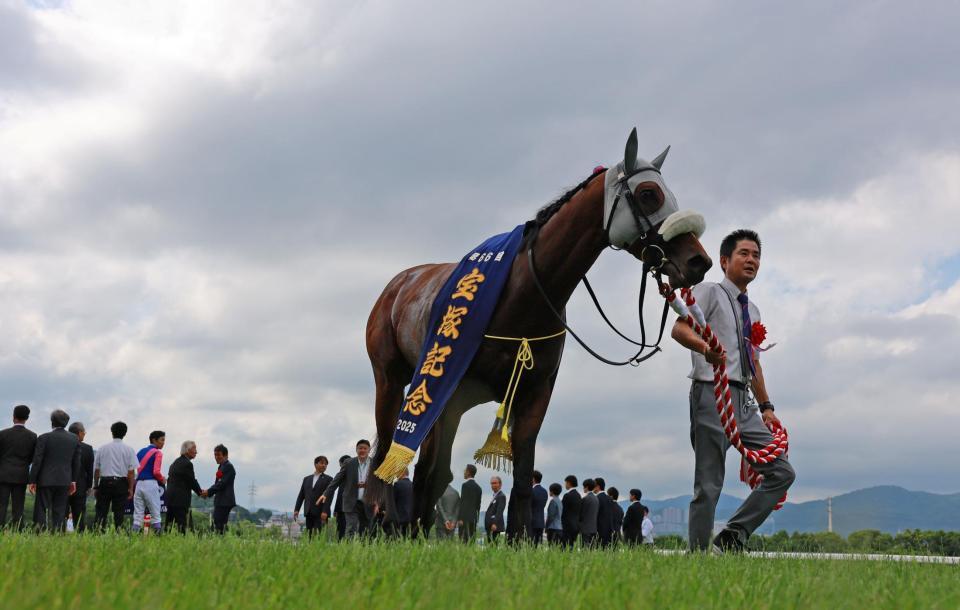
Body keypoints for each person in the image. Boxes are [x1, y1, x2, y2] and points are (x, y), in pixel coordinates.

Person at [671, 229, 796, 553]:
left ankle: (732, 537)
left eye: (756, 255)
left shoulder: (752, 310)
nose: (751, 260)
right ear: (725, 260)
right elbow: (680, 328)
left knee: (781, 472)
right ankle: (698, 555)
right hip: (712, 392)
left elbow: (753, 361)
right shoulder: (709, 292)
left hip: (744, 401)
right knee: (709, 483)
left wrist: (767, 406)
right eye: (744, 253)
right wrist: (705, 348)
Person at [29, 409, 81, 532]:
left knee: (41, 508)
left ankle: (39, 533)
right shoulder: (74, 439)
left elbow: (37, 461)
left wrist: (32, 480)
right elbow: (76, 462)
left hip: (45, 479)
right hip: (64, 479)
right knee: (59, 509)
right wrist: (73, 481)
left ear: (52, 422)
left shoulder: (44, 438)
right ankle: (57, 533)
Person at [318, 439, 375, 538]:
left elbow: (379, 483)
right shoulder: (349, 463)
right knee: (351, 528)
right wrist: (325, 494)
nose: (362, 450)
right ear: (356, 450)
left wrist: (378, 501)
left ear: (369, 450)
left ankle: (363, 551)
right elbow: (337, 480)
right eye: (360, 448)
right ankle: (349, 551)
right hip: (351, 501)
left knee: (365, 531)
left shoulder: (374, 463)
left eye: (365, 448)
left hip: (368, 502)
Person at [92, 421, 138, 531]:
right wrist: (131, 488)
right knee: (119, 512)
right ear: (125, 433)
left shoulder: (102, 448)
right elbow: (131, 472)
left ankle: (98, 532)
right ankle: (118, 533)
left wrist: (96, 485)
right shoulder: (129, 450)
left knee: (101, 511)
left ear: (112, 432)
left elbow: (97, 470)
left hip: (105, 482)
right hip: (121, 483)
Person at [0, 405, 37, 530]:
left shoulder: (3, 434)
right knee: (18, 507)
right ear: (26, 418)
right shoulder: (32, 436)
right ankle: (17, 531)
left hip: (3, 474)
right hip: (21, 475)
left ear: (13, 417)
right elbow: (33, 457)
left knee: (1, 505)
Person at [165, 440, 204, 534]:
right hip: (180, 499)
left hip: (170, 498)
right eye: (194, 448)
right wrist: (200, 492)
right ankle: (182, 543)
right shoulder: (187, 464)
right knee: (182, 526)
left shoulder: (174, 463)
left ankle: (164, 540)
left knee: (169, 525)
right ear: (187, 450)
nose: (196, 452)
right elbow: (191, 480)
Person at [132, 431, 166, 534]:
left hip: (138, 484)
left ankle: (133, 538)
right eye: (162, 440)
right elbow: (156, 471)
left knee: (138, 516)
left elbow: (134, 468)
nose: (163, 443)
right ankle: (159, 539)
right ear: (154, 440)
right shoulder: (158, 453)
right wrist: (162, 479)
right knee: (156, 514)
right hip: (151, 484)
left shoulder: (140, 452)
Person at [294, 455, 332, 539]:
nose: (324, 465)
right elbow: (301, 495)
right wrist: (296, 509)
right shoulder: (307, 479)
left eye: (326, 464)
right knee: (309, 536)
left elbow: (329, 497)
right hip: (309, 511)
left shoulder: (329, 479)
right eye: (322, 463)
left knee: (319, 536)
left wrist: (325, 511)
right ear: (315, 464)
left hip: (321, 512)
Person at [66, 422, 95, 532]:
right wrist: (89, 486)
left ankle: (59, 533)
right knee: (79, 514)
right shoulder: (87, 448)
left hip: (63, 484)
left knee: (61, 512)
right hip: (80, 486)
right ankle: (80, 534)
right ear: (79, 433)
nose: (85, 434)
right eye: (84, 432)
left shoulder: (64, 445)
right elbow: (89, 470)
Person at [205, 444, 237, 534]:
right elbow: (218, 484)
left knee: (219, 524)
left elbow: (221, 484)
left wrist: (208, 492)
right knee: (219, 523)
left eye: (218, 455)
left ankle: (220, 541)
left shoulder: (228, 467)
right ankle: (220, 541)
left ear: (226, 455)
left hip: (225, 500)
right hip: (221, 500)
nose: (216, 457)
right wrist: (208, 492)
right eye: (215, 455)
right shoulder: (222, 466)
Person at [386, 468, 413, 538]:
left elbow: (392, 501)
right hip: (410, 518)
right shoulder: (413, 485)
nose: (396, 475)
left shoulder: (397, 485)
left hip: (399, 518)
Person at [457, 464, 482, 544]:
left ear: (468, 472)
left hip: (464, 518)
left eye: (465, 470)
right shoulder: (479, 488)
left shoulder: (465, 485)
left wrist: (460, 518)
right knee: (471, 540)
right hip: (474, 518)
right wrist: (476, 519)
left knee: (463, 541)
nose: (464, 472)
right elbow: (478, 505)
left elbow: (463, 502)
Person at [332, 454, 350, 540]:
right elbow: (339, 494)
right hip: (341, 509)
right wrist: (336, 509)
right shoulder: (341, 476)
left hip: (352, 508)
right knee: (340, 531)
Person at [560, 475, 581, 548]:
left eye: (565, 483)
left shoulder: (567, 495)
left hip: (567, 525)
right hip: (575, 525)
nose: (565, 485)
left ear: (569, 483)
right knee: (571, 546)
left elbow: (563, 511)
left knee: (564, 547)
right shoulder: (578, 495)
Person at [594, 476, 615, 547]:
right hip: (609, 530)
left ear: (597, 486)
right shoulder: (609, 499)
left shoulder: (597, 499)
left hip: (599, 530)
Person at [484, 476, 506, 543]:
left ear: (500, 484)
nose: (493, 485)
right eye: (492, 483)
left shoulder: (501, 496)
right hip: (490, 527)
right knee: (490, 546)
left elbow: (499, 511)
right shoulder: (495, 496)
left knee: (494, 546)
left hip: (495, 527)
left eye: (495, 483)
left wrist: (494, 523)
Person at [529, 469, 548, 546]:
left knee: (531, 545)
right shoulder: (545, 491)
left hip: (531, 522)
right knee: (538, 545)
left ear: (533, 479)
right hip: (540, 522)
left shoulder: (531, 491)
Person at [579, 478, 598, 548]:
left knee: (584, 549)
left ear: (586, 487)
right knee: (591, 550)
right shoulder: (596, 499)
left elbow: (581, 514)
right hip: (593, 528)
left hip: (585, 529)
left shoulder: (585, 499)